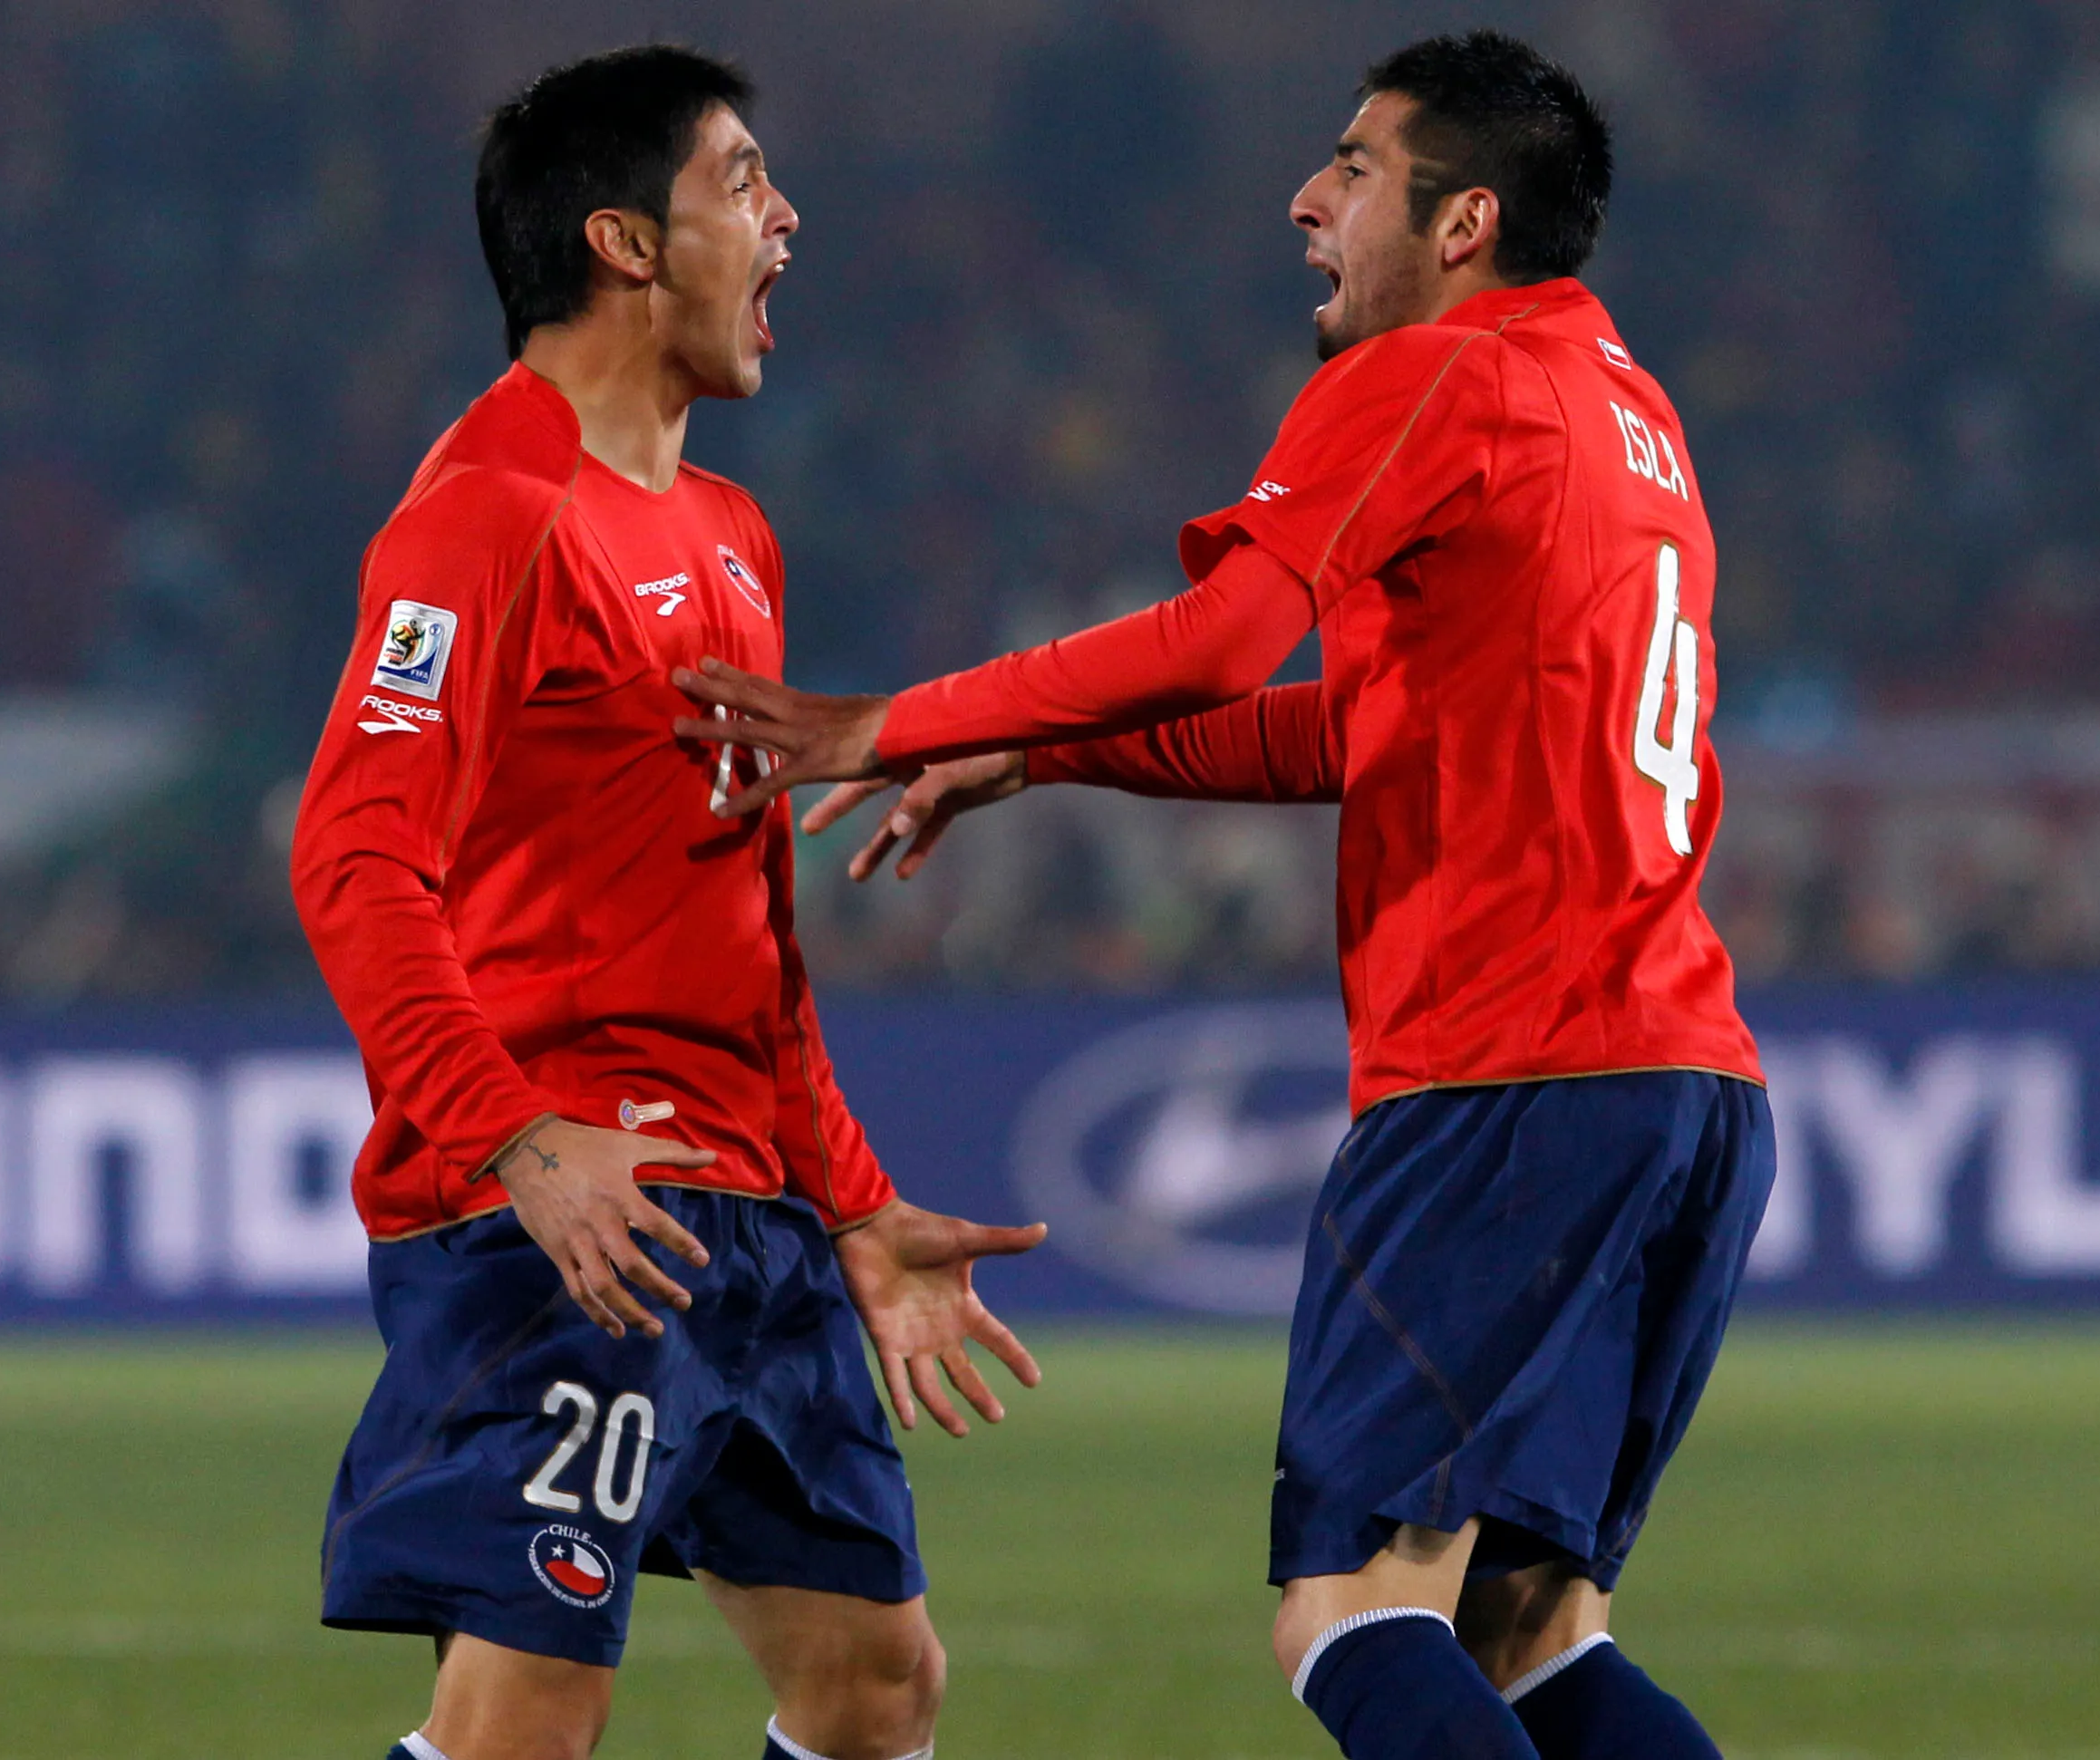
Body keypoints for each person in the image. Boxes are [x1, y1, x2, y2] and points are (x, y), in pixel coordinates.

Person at [672, 31, 1771, 1760]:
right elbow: (1359, 724)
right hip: (1685, 1085)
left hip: (1504, 1077)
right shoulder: (1625, 408)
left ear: (1464, 218)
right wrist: (1047, 757)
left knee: (1351, 1610)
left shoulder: (1436, 374)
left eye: (1351, 165)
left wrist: (891, 719)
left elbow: (1223, 635)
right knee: (1531, 1628)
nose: (1307, 197)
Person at [292, 46, 1044, 1760]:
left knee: (874, 1682)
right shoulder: (485, 515)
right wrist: (515, 1138)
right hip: (581, 1217)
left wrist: (848, 1200)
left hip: (748, 1209)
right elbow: (353, 853)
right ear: (628, 244)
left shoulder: (730, 531)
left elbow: (743, 920)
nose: (788, 220)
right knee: (528, 1714)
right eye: (745, 184)